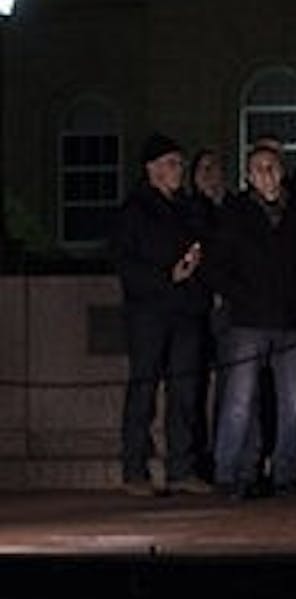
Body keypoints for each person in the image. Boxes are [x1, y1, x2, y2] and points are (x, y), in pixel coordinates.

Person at [208, 143, 296, 498]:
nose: (266, 174)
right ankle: (230, 473)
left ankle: (285, 474)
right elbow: (217, 267)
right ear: (248, 176)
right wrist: (242, 297)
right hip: (247, 322)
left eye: (272, 167)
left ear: (282, 170)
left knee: (293, 403)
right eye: (258, 168)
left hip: (289, 322)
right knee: (240, 402)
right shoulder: (235, 212)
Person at [111, 133, 213, 496]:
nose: (178, 170)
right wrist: (167, 277)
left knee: (185, 391)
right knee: (144, 388)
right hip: (149, 313)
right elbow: (126, 264)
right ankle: (134, 469)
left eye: (180, 163)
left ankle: (180, 468)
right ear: (151, 169)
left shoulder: (187, 206)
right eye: (171, 163)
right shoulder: (134, 211)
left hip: (186, 312)